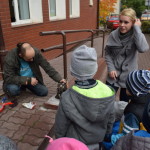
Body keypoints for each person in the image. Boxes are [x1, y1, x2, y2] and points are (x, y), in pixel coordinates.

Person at [55, 45, 115, 150]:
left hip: (75, 144)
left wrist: (59, 140)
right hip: (98, 140)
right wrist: (108, 133)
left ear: (72, 71)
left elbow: (61, 125)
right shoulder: (108, 91)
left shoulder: (67, 96)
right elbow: (111, 117)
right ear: (95, 68)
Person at [105, 8, 149, 102]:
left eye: (126, 22)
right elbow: (108, 53)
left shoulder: (136, 35)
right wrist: (111, 68)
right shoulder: (113, 35)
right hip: (113, 75)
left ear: (133, 22)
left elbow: (143, 49)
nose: (122, 25)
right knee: (107, 101)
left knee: (124, 104)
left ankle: (121, 117)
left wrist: (137, 28)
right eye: (120, 21)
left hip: (128, 76)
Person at [111, 69, 150, 145]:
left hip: (130, 140)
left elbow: (127, 138)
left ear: (132, 91)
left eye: (127, 86)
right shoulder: (147, 98)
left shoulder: (132, 113)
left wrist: (111, 138)